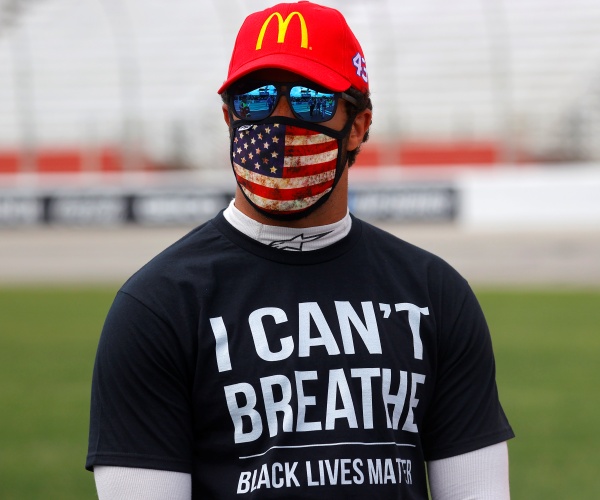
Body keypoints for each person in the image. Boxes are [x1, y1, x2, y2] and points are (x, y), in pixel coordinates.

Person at [86, 2, 514, 499]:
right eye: (256, 99)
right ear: (228, 117)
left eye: (311, 100)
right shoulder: (157, 307)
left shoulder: (434, 294)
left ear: (357, 124)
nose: (279, 121)